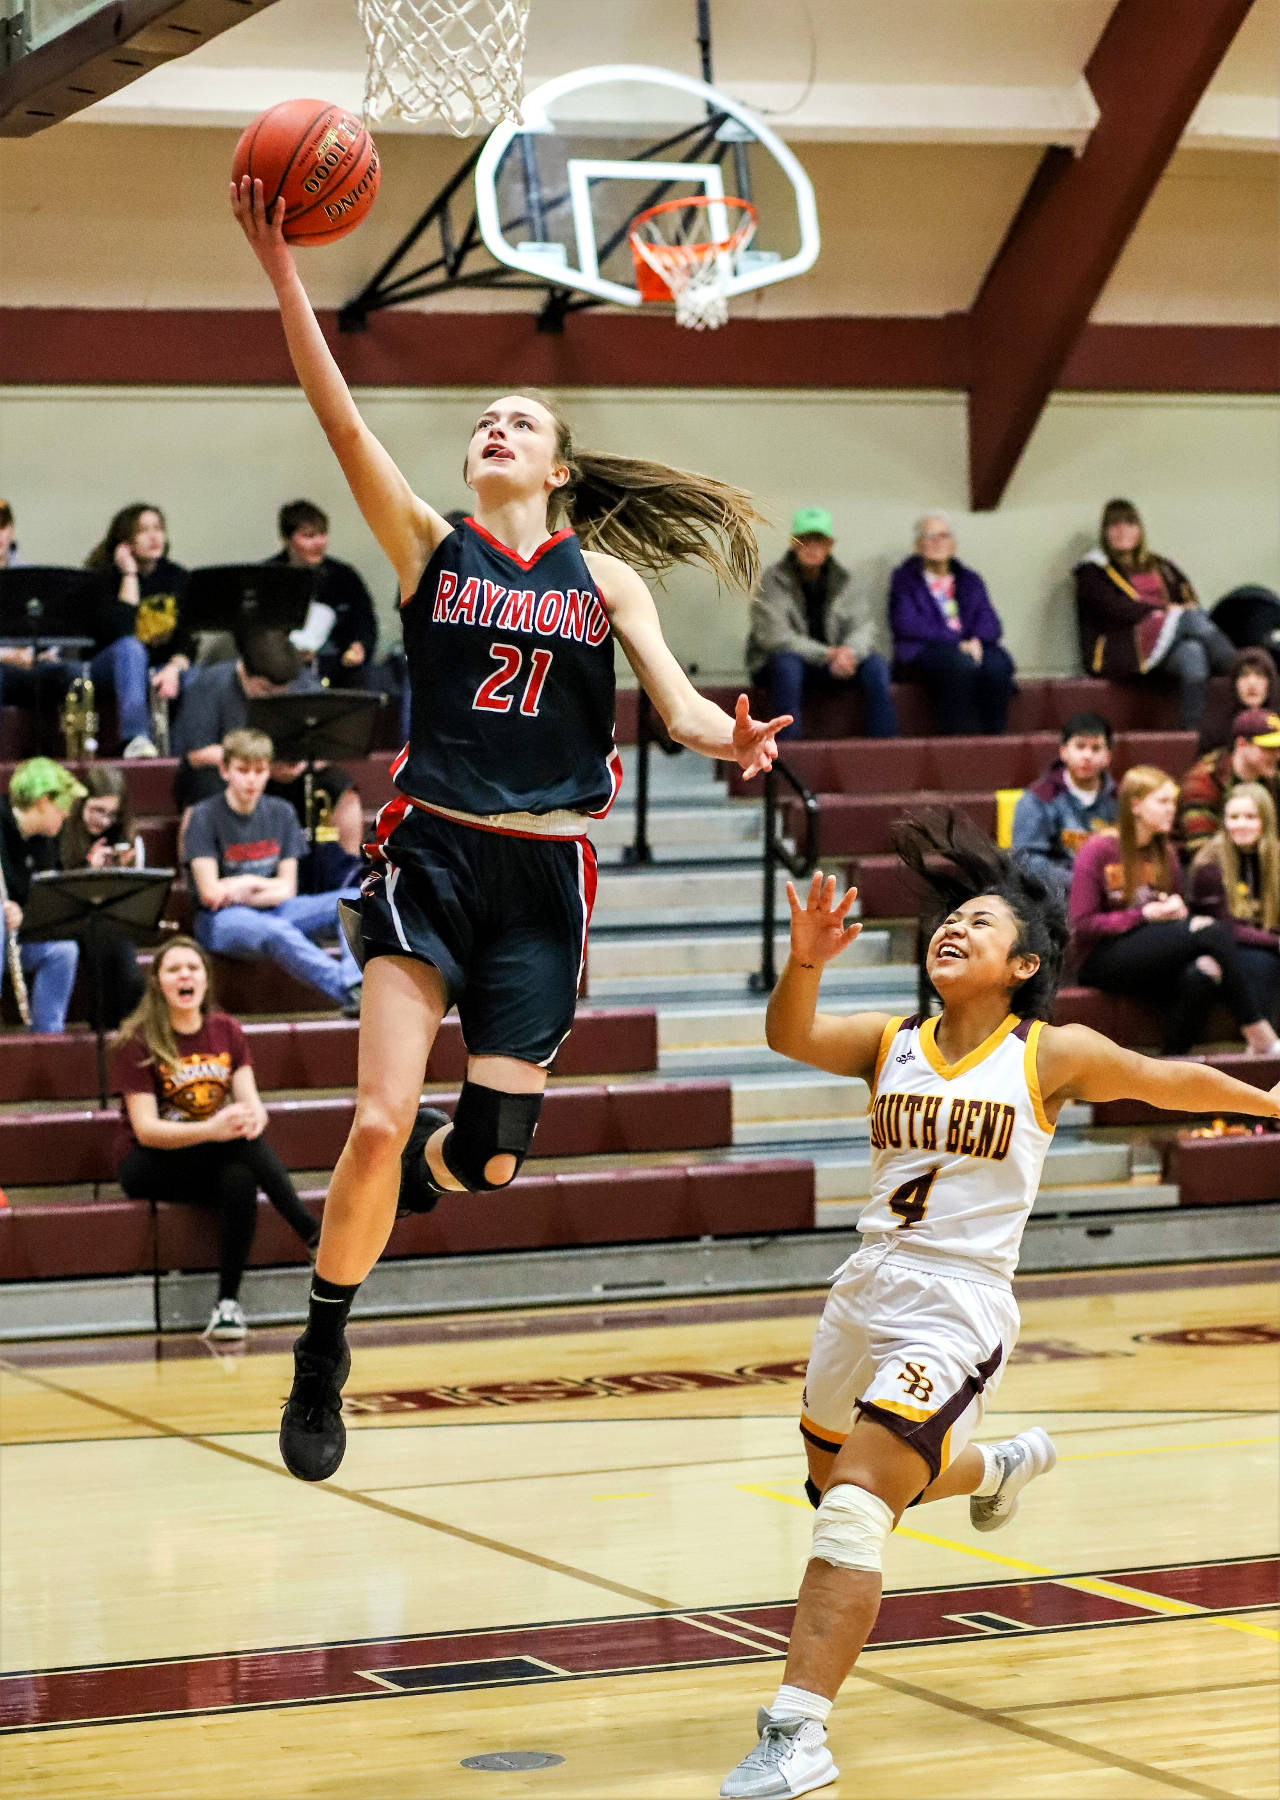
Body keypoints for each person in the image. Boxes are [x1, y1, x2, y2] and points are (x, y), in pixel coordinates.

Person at [231, 171, 789, 1484]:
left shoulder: (605, 580)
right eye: (484, 418)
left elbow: (684, 708)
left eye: (518, 419)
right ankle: (324, 1341)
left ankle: (435, 1172)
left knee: (481, 1162)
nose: (494, 427)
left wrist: (738, 740)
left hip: (546, 880)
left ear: (559, 467)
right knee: (375, 1120)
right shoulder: (432, 551)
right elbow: (338, 415)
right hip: (428, 852)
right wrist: (283, 271)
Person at [718, 812, 1280, 1800]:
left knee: (849, 1513)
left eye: (978, 924)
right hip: (860, 1292)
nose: (953, 929)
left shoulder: (1044, 1053)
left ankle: (794, 1734)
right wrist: (802, 962)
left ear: (1020, 964)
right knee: (835, 1487)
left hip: (957, 1303)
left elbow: (1161, 1080)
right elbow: (789, 1034)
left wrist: (1269, 1103)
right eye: (949, 918)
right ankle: (1003, 1461)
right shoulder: (889, 1039)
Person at [113, 935, 320, 1340]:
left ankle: (227, 1306)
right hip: (147, 1162)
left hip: (208, 1152)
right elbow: (147, 1130)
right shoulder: (137, 1038)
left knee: (240, 1175)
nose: (185, 975)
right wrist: (214, 1129)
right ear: (158, 983)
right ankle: (311, 1232)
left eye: (193, 967)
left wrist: (251, 1119)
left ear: (206, 980)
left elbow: (253, 1104)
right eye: (173, 969)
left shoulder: (227, 1030)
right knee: (237, 1147)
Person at [1070, 765, 1278, 1058]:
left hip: (1152, 949)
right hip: (1102, 958)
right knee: (1212, 931)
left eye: (1173, 801)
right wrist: (1144, 915)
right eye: (1163, 802)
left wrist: (1176, 910)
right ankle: (1258, 1030)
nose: (1173, 810)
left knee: (1204, 970)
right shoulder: (1099, 849)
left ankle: (1171, 1061)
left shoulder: (1164, 852)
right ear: (1136, 806)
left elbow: (1173, 916)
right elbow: (1082, 923)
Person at [184, 727, 363, 1016]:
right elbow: (210, 894)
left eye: (259, 770)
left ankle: (357, 980)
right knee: (275, 930)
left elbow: (288, 888)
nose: (252, 779)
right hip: (220, 920)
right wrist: (259, 890)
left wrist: (244, 883)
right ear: (224, 770)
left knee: (355, 899)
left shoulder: (281, 812)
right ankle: (351, 991)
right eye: (243, 770)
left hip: (273, 907)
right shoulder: (204, 815)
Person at [170, 637, 363, 873]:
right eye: (265, 689)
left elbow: (328, 742)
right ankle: (198, 877)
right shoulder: (211, 683)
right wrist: (261, 766)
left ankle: (349, 878)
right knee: (204, 788)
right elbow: (197, 754)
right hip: (231, 774)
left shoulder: (302, 682)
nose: (274, 695)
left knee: (343, 789)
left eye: (282, 691)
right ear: (244, 673)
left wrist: (303, 762)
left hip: (288, 770)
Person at [1073, 498, 1234, 732]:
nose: (1122, 531)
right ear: (1105, 532)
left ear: (1139, 529)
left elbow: (1187, 597)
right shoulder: (1092, 571)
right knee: (1189, 620)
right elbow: (1114, 609)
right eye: (1114, 525)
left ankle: (1190, 736)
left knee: (1193, 655)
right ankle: (1241, 667)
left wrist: (1180, 611)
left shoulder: (1161, 565)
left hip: (1164, 645)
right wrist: (1163, 613)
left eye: (1129, 524)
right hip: (1122, 647)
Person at [746, 508, 898, 740]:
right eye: (805, 540)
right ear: (793, 543)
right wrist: (827, 654)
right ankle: (788, 753)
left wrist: (848, 653)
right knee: (787, 664)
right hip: (784, 664)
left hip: (834, 663)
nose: (812, 547)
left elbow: (863, 627)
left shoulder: (846, 580)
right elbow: (774, 637)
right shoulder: (773, 579)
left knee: (876, 665)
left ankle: (885, 748)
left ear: (829, 545)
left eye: (819, 541)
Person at [888, 514, 1015, 734]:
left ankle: (995, 737)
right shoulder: (904, 579)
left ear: (953, 545)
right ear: (918, 546)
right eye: (930, 536)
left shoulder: (969, 579)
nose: (937, 542)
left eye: (944, 536)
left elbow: (989, 621)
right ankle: (956, 738)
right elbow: (906, 623)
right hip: (926, 649)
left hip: (970, 646)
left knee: (998, 664)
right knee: (959, 665)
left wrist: (976, 640)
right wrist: (957, 643)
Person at [83, 504, 193, 757]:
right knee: (130, 649)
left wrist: (174, 669)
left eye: (158, 529)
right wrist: (129, 575)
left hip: (162, 669)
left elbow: (187, 639)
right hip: (109, 668)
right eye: (143, 530)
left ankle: (184, 751)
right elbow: (121, 632)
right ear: (125, 541)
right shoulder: (104, 580)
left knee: (198, 679)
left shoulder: (177, 577)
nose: (154, 537)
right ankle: (136, 739)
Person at [56, 766, 146, 1031]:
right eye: (97, 810)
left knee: (115, 939)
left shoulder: (122, 833)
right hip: (71, 916)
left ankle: (119, 1024)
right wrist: (87, 871)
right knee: (106, 938)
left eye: (112, 814)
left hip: (111, 918)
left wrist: (125, 870)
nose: (104, 821)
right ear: (82, 802)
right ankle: (108, 1025)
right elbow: (56, 892)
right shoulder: (63, 829)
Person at [0, 758, 83, 1032]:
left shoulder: (47, 842)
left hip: (19, 935)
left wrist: (23, 913)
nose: (67, 813)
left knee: (64, 950)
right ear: (44, 800)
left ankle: (48, 1038)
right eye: (64, 805)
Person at [1188, 784, 1280, 1025]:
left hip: (1262, 940)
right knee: (1262, 963)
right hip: (1220, 945)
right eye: (1234, 817)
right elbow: (1225, 927)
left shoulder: (1276, 857)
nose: (1241, 824)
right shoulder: (1210, 863)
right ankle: (1261, 1046)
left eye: (1250, 817)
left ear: (1266, 820)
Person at [271, 499, 379, 689]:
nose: (318, 543)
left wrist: (359, 646)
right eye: (308, 536)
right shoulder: (268, 576)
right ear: (287, 539)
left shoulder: (344, 576)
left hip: (336, 668)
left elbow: (364, 621)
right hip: (282, 670)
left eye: (322, 534)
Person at [1011, 710, 1117, 899]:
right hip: (1055, 898)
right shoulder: (1038, 798)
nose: (1087, 755)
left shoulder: (1119, 799)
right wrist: (1083, 882)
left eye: (1095, 748)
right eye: (1080, 746)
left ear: (1107, 756)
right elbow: (1025, 860)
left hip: (1112, 895)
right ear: (1063, 752)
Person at [1177, 707, 1280, 857]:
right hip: (1201, 870)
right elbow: (1202, 852)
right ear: (1241, 744)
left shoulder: (1273, 779)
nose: (1277, 756)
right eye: (1268, 748)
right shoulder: (1202, 782)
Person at [1196, 646, 1279, 754]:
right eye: (1244, 675)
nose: (1252, 683)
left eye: (1260, 675)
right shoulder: (1217, 727)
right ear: (1234, 684)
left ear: (1271, 683)